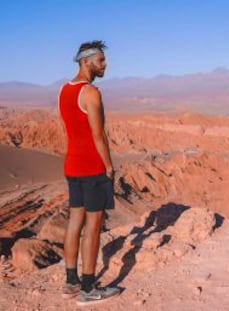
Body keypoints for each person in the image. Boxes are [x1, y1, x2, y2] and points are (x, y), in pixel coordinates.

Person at [58, 40, 120, 306]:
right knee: (93, 228)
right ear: (86, 62)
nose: (104, 65)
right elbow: (98, 134)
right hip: (92, 167)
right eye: (100, 60)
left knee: (75, 222)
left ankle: (71, 282)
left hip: (72, 166)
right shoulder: (91, 93)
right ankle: (88, 288)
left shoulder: (64, 91)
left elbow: (73, 129)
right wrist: (108, 166)